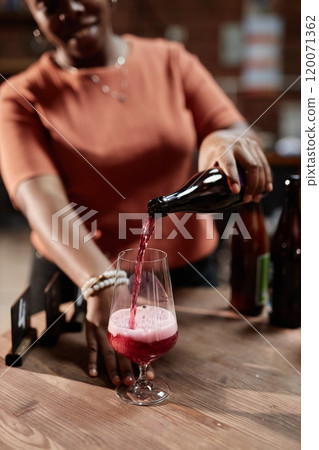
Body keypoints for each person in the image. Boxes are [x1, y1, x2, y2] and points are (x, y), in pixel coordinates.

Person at [0, 0, 272, 386]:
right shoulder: (20, 94)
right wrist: (102, 281)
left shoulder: (171, 60)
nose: (72, 9)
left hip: (187, 277)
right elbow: (40, 200)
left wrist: (222, 145)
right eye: (51, 3)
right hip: (79, 280)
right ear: (35, 16)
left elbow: (233, 129)